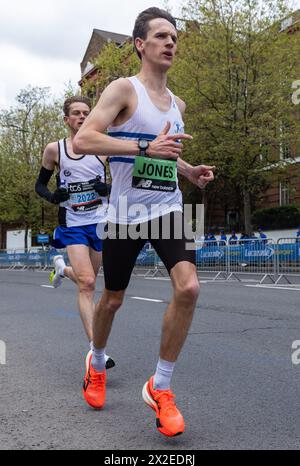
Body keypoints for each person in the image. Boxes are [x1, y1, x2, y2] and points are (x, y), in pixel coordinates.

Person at [74, 7, 215, 437]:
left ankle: (162, 386)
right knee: (112, 299)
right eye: (161, 36)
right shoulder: (123, 89)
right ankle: (96, 362)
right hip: (125, 214)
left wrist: (187, 170)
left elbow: (164, 149)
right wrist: (143, 148)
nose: (170, 42)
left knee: (188, 286)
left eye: (174, 37)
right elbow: (84, 140)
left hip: (166, 207)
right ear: (140, 44)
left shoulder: (179, 103)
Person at [35, 96, 115, 370]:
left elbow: (122, 183)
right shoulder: (54, 150)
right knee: (89, 284)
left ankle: (61, 269)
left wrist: (108, 189)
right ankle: (97, 352)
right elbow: (40, 186)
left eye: (86, 113)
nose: (82, 117)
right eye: (76, 114)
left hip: (99, 221)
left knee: (87, 279)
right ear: (67, 119)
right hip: (72, 223)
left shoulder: (103, 148)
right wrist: (54, 196)